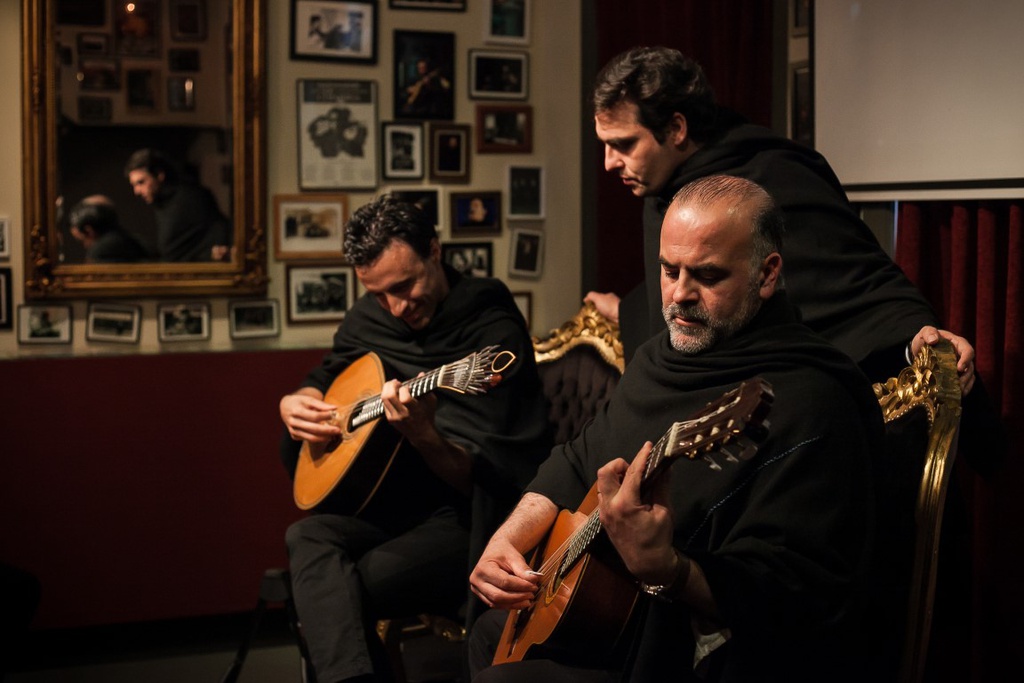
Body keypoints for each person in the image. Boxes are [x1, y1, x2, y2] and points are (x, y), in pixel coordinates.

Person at [468, 175, 886, 682]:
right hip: (611, 620)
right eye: (669, 271)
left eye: (707, 276)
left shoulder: (812, 400)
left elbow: (795, 592)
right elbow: (576, 458)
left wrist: (667, 570)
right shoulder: (656, 361)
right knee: (491, 634)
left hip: (701, 654)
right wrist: (506, 539)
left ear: (767, 273)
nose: (679, 295)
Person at [583, 47, 977, 393]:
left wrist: (915, 339)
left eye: (623, 144)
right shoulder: (662, 191)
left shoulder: (773, 177)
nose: (609, 163)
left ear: (676, 128)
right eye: (604, 145)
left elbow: (848, 283)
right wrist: (630, 311)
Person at [278, 195, 552, 683]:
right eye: (380, 294)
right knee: (306, 534)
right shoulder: (374, 315)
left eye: (405, 286)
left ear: (434, 250)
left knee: (349, 584)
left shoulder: (489, 327)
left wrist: (424, 435)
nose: (396, 307)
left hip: (467, 519)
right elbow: (328, 372)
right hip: (394, 505)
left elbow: (486, 477)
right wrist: (296, 399)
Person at [124, 148, 231, 262]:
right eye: (134, 185)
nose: (137, 191)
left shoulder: (191, 197)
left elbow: (216, 235)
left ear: (160, 175)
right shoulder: (162, 204)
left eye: (141, 182)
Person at [67, 195, 149, 263]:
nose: (85, 246)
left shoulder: (100, 252)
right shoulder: (136, 242)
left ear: (89, 231)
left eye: (82, 240)